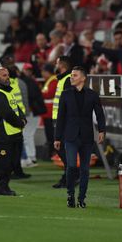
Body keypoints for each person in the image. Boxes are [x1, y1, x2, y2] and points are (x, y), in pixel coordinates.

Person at [54, 66, 106, 208]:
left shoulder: (92, 95)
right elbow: (61, 117)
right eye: (71, 75)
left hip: (87, 137)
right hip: (70, 136)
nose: (71, 78)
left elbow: (100, 114)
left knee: (85, 169)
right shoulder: (65, 94)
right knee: (71, 166)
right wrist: (57, 138)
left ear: (83, 78)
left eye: (75, 75)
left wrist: (102, 130)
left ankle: (81, 198)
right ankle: (70, 194)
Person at [0, 67, 27, 195]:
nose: (7, 77)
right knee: (3, 165)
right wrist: (20, 123)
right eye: (4, 75)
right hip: (2, 135)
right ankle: (1, 188)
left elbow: (16, 108)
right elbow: (7, 114)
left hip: (12, 134)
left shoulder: (6, 91)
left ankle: (5, 187)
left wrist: (22, 118)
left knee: (10, 164)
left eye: (8, 75)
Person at [51, 56, 72, 188]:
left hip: (62, 120)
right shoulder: (63, 79)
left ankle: (70, 176)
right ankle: (68, 175)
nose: (55, 65)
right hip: (58, 119)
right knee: (62, 149)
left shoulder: (67, 79)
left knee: (62, 149)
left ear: (61, 65)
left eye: (57, 63)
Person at [20, 63, 46, 167]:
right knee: (28, 135)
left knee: (27, 135)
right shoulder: (32, 82)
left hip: (31, 112)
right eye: (27, 70)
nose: (28, 72)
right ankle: (31, 157)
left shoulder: (27, 82)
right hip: (33, 111)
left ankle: (30, 157)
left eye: (30, 70)